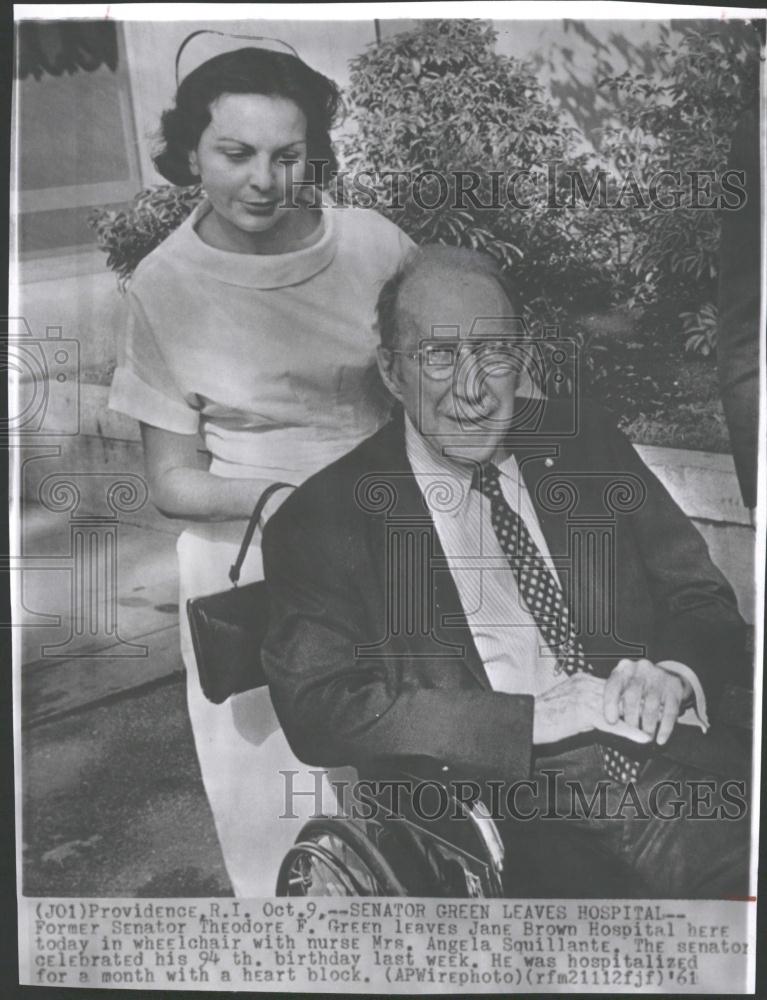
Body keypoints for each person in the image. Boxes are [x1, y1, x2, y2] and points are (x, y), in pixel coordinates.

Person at [262, 246, 751, 897]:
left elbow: (697, 597)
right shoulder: (325, 517)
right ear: (390, 371)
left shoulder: (582, 442)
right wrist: (527, 720)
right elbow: (318, 707)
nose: (471, 387)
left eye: (492, 350)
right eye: (438, 356)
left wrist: (673, 675)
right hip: (506, 818)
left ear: (520, 357)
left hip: (669, 769)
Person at [108, 43, 414, 896]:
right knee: (275, 812)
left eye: (286, 154)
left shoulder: (374, 246)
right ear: (191, 153)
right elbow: (173, 479)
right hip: (249, 555)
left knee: (423, 786)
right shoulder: (163, 287)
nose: (262, 180)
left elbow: (448, 370)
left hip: (397, 535)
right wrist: (290, 502)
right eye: (234, 153)